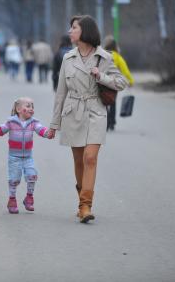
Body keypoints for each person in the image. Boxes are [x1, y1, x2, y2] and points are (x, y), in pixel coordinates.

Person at [48, 15, 128, 223]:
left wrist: (101, 77)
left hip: (96, 110)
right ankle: (81, 199)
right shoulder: (68, 58)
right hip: (72, 112)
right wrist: (54, 124)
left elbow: (121, 82)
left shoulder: (105, 57)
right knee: (79, 161)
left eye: (74, 28)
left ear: (85, 31)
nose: (70, 32)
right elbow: (60, 93)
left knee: (90, 157)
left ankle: (85, 205)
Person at [0, 97, 51, 214]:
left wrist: (47, 133)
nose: (31, 109)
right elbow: (0, 130)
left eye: (32, 107)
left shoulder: (33, 123)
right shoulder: (11, 122)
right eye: (28, 106)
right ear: (19, 109)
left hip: (28, 157)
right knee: (14, 179)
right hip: (14, 157)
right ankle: (12, 200)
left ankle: (29, 198)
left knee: (32, 175)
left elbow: (41, 129)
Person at [103, 35, 134, 131]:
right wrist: (131, 81)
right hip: (114, 83)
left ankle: (106, 121)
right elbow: (125, 70)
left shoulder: (103, 55)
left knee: (104, 103)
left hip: (103, 82)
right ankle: (112, 122)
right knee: (112, 102)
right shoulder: (118, 57)